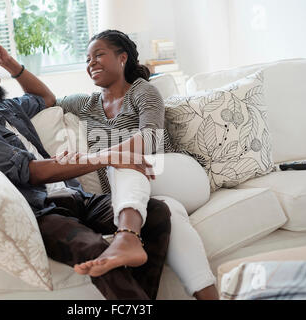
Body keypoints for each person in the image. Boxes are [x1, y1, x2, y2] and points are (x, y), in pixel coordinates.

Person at [0, 42, 172, 300]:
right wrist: (105, 157)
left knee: (156, 212)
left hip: (77, 198)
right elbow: (31, 172)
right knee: (93, 247)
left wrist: (11, 64)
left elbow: (45, 98)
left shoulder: (5, 108)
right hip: (43, 212)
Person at [55, 30, 219, 300]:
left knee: (121, 161)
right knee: (168, 214)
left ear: (122, 58)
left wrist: (89, 159)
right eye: (87, 59)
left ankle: (127, 237)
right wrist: (12, 67)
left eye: (99, 55)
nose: (91, 63)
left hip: (180, 174)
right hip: (148, 194)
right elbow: (46, 99)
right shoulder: (86, 104)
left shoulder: (144, 92)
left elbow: (149, 138)